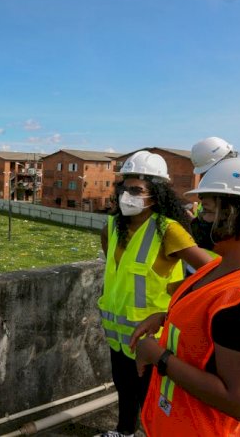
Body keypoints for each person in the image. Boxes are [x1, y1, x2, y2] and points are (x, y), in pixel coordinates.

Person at [132, 157, 240, 436]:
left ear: (236, 214)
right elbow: (209, 325)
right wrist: (165, 317)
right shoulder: (218, 270)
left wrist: (159, 357)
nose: (199, 219)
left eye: (208, 211)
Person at [96, 151, 212, 437]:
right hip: (117, 332)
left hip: (152, 337)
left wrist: (178, 308)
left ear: (156, 194)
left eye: (137, 190)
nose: (127, 196)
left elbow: (213, 273)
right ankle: (123, 433)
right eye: (125, 188)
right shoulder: (110, 227)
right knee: (124, 388)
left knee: (152, 396)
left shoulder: (167, 230)